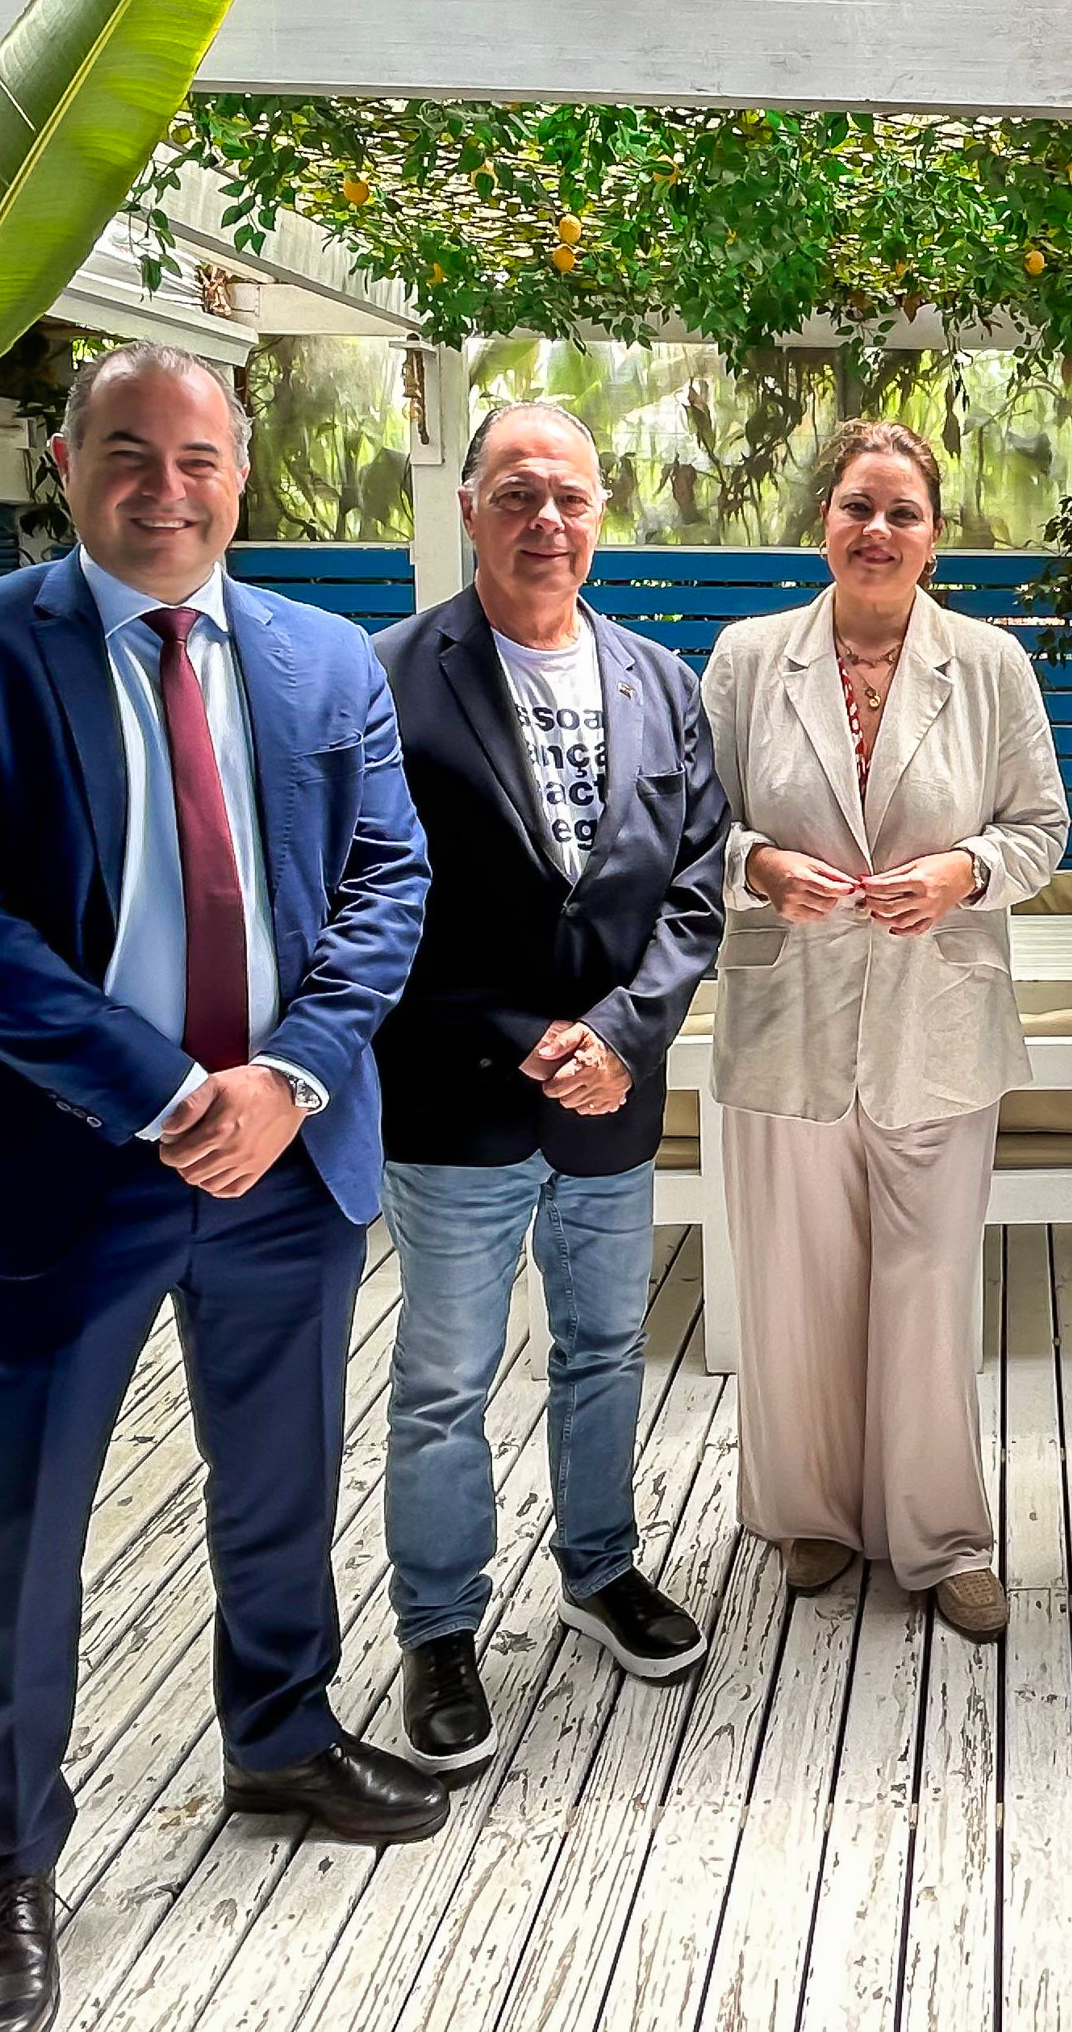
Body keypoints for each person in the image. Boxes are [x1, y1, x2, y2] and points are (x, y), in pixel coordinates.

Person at [0, 342, 438, 2032]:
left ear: (240, 477)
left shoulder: (325, 658)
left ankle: (282, 1739)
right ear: (65, 463)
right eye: (128, 451)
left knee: (281, 1480)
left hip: (283, 1157)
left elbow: (388, 878)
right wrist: (170, 1091)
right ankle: (2, 1874)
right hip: (54, 1168)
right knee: (13, 1530)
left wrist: (287, 1077)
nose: (163, 487)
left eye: (196, 458)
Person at [370, 400, 728, 1775]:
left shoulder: (659, 680)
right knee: (444, 1379)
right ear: (470, 506)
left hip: (609, 1103)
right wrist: (518, 1030)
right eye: (517, 493)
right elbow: (372, 895)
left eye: (570, 496)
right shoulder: (389, 674)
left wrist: (623, 1034)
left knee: (602, 1349)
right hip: (458, 1099)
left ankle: (600, 1567)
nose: (546, 520)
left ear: (601, 513)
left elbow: (695, 886)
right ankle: (439, 1626)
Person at [700, 420, 1069, 1643]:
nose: (878, 530)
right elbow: (692, 828)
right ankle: (808, 1512)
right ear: (825, 521)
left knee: (928, 1284)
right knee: (794, 1281)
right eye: (858, 506)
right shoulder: (749, 659)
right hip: (787, 1016)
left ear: (934, 537)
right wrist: (760, 867)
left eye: (903, 512)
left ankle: (942, 1536)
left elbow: (1040, 829)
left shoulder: (991, 665)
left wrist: (965, 872)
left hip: (938, 1021)